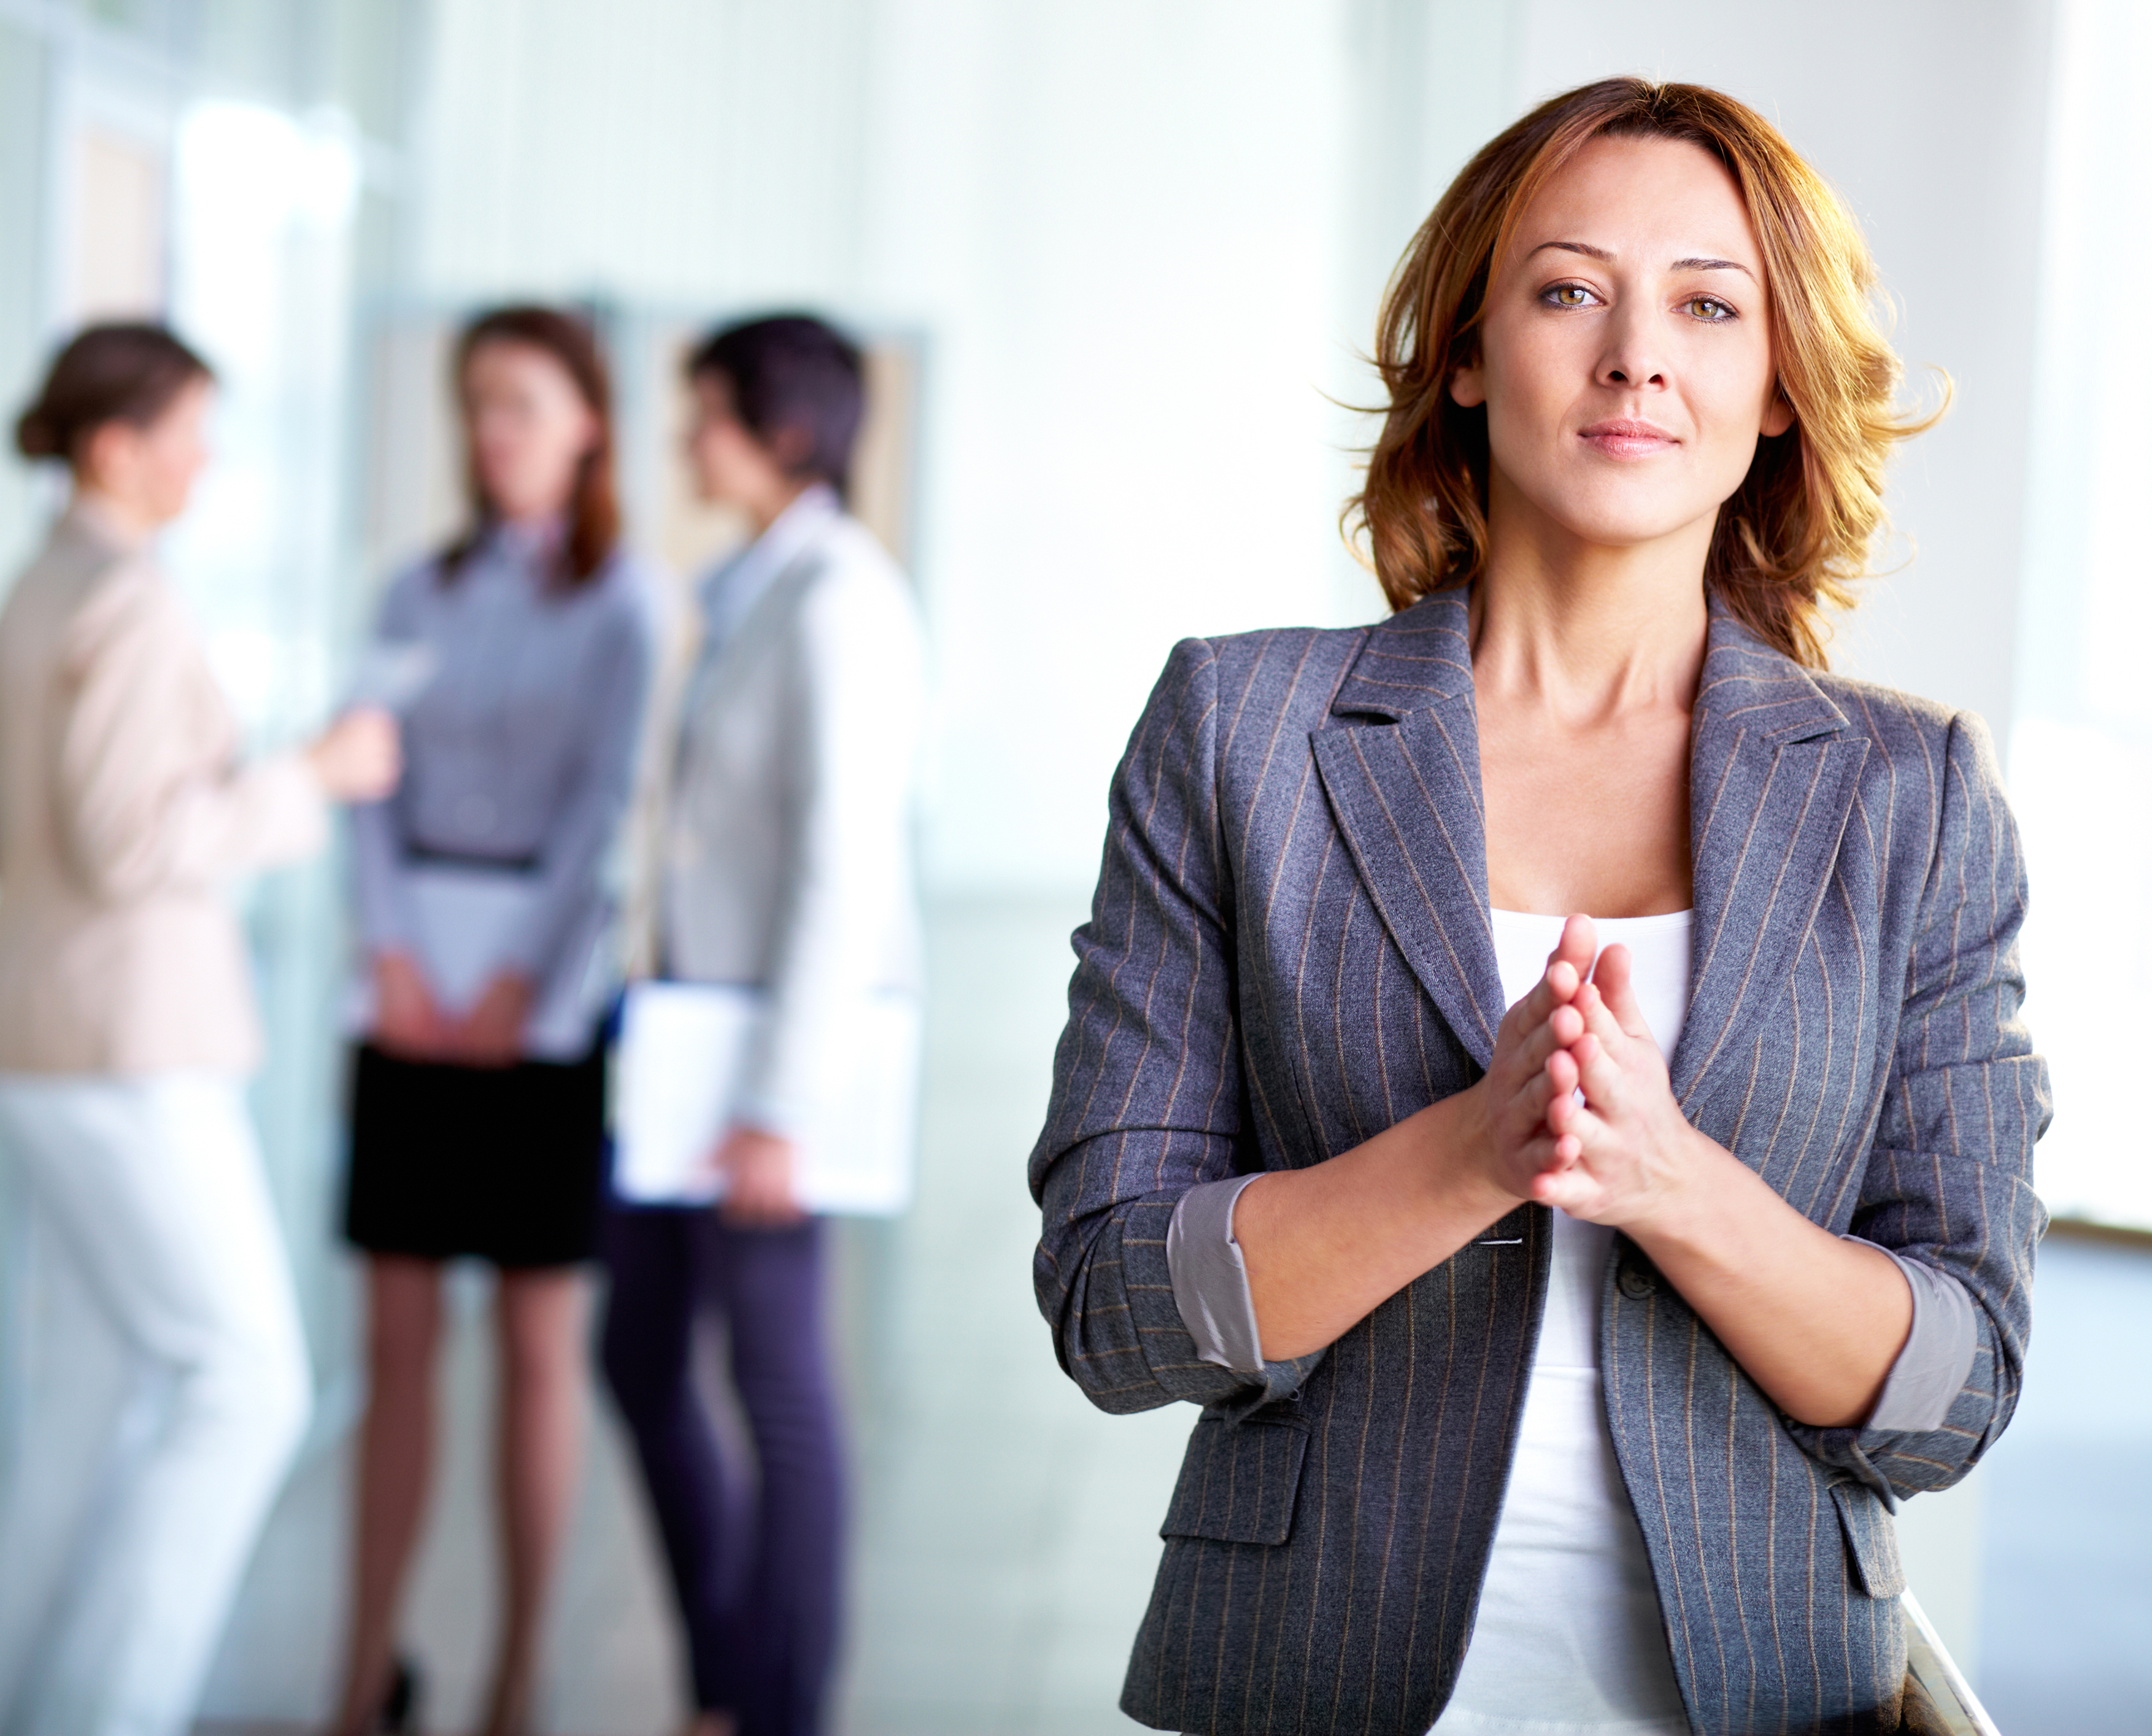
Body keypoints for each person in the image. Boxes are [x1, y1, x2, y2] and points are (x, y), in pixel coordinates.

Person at [1030, 78, 2048, 1736]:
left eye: (1712, 305)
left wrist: (1665, 1178)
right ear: (1466, 351)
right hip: (1308, 1677)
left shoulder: (1910, 793)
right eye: (1569, 288)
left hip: (1774, 1691)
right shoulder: (1242, 733)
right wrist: (1467, 1148)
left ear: (1779, 384)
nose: (1638, 353)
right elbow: (1114, 1304)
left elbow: (1953, 1387)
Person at [0, 322, 400, 1736]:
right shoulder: (130, 602)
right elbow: (133, 846)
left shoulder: (39, 584)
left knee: (95, 1390)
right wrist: (314, 775)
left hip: (40, 1030)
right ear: (114, 445)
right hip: (126, 1046)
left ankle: (5, 1703)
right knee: (245, 1385)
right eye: (189, 431)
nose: (207, 460)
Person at [331, 305, 660, 1736]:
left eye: (522, 404)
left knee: (539, 1344)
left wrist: (521, 975)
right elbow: (365, 781)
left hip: (539, 1006)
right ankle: (359, 1669)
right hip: (406, 997)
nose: (494, 433)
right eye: (477, 405)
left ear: (587, 421)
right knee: (395, 1343)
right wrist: (394, 955)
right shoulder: (414, 590)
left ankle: (517, 1671)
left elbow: (602, 811)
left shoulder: (624, 602)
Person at [601, 315, 925, 1736]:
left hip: (758, 1066)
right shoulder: (749, 587)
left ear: (785, 429)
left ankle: (773, 1701)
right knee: (641, 1351)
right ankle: (725, 1679)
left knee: (776, 1381)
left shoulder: (838, 598)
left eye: (707, 415)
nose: (684, 443)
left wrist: (781, 1103)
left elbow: (839, 867)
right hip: (682, 1043)